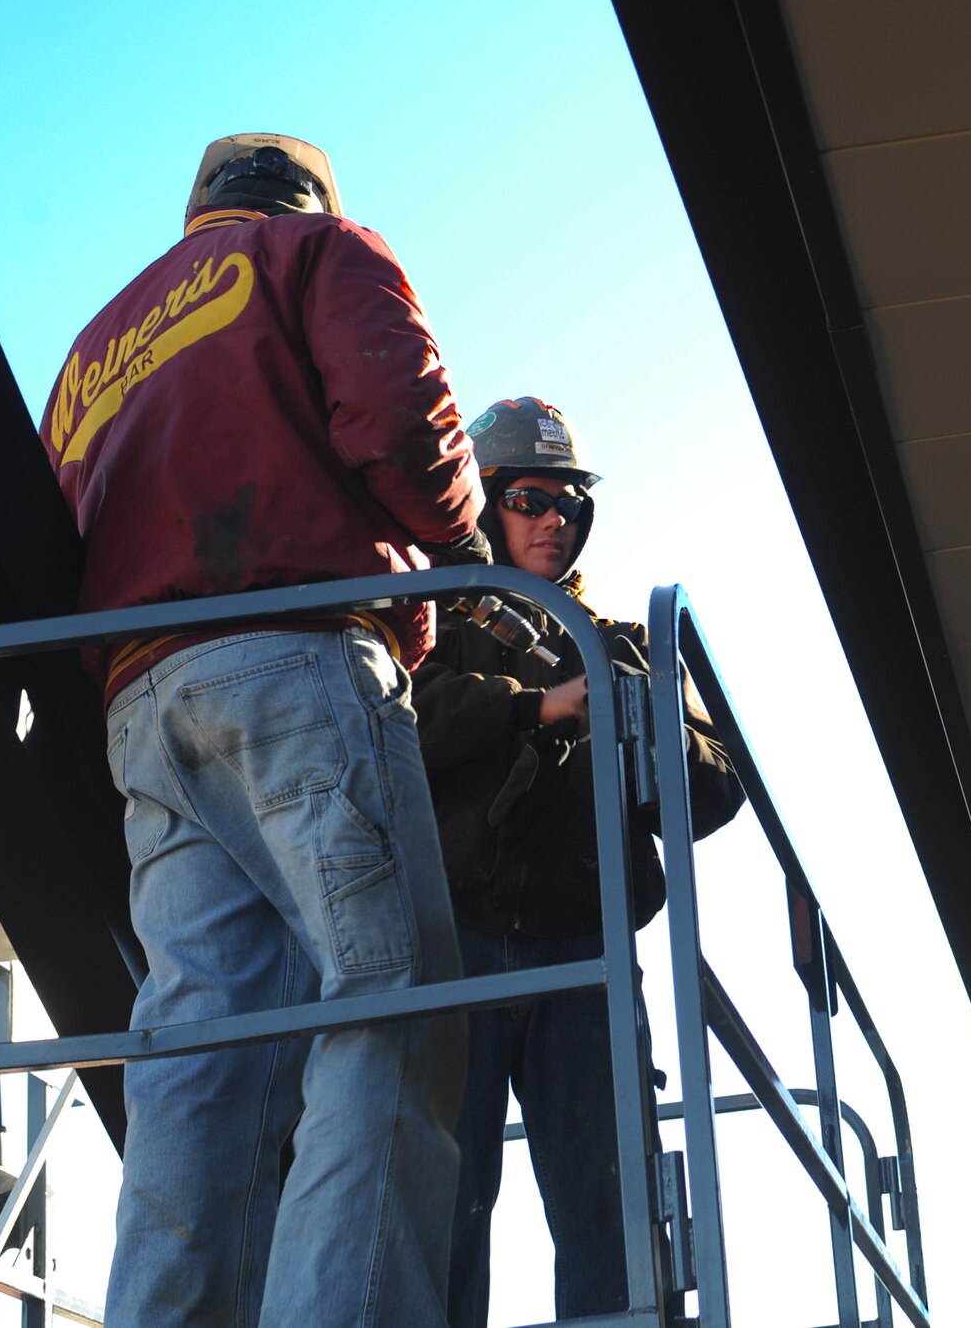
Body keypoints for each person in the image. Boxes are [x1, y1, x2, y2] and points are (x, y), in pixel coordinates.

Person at [38, 133, 486, 1327]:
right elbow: (403, 428)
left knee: (199, 1054)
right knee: (382, 997)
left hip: (142, 704)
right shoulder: (315, 252)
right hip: (295, 654)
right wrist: (460, 536)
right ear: (305, 197)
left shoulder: (93, 351)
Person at [410, 398, 745, 1325]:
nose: (553, 517)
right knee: (444, 1208)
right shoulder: (433, 618)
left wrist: (632, 722)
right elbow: (400, 720)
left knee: (612, 1216)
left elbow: (717, 782)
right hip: (456, 952)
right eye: (527, 497)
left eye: (568, 502)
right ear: (485, 505)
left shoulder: (630, 648)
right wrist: (535, 706)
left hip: (584, 961)